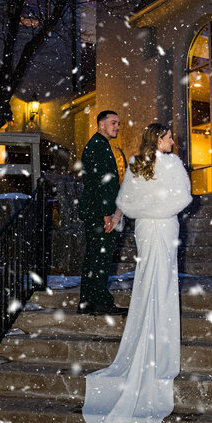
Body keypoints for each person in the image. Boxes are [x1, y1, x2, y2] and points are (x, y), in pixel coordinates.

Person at [82, 123, 192, 423]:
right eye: (169, 136)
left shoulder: (136, 164)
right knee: (159, 285)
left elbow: (127, 202)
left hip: (145, 229)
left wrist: (127, 214)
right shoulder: (170, 164)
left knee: (149, 285)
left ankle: (150, 337)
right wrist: (156, 209)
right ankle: (158, 346)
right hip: (161, 228)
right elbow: (182, 199)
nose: (173, 141)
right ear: (158, 139)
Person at [78, 110, 127, 316]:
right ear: (101, 124)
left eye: (118, 123)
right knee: (100, 257)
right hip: (100, 212)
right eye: (113, 122)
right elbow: (100, 182)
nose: (117, 126)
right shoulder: (98, 146)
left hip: (95, 210)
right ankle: (98, 301)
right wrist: (107, 212)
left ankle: (88, 301)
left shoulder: (99, 145)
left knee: (94, 256)